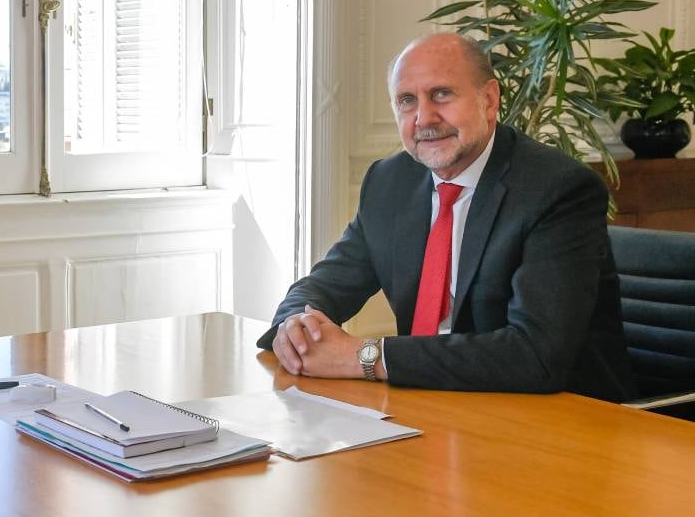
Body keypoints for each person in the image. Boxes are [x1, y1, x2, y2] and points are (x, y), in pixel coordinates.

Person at [259, 32, 634, 402]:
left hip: (557, 421)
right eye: (407, 101)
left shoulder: (556, 189)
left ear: (489, 100)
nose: (424, 117)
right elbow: (324, 285)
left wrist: (366, 357)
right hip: (432, 404)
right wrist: (294, 327)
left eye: (441, 94)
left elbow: (534, 354)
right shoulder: (390, 182)